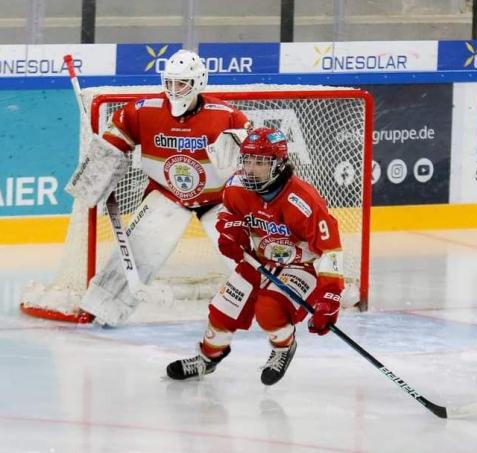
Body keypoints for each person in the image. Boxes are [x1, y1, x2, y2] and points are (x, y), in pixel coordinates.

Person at [65, 49, 252, 326]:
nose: (174, 90)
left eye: (182, 83)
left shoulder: (227, 116)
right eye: (170, 83)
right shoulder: (144, 110)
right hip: (168, 195)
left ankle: (275, 304)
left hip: (219, 199)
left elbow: (257, 157)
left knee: (246, 254)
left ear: (199, 82)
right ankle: (102, 307)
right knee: (140, 248)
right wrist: (98, 169)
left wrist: (241, 145)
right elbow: (116, 137)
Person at [166, 127, 345, 385]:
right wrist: (230, 232)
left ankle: (283, 347)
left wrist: (329, 297)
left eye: (259, 162)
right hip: (257, 260)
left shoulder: (304, 200)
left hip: (297, 265)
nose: (250, 168)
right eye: (247, 160)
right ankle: (207, 359)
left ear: (279, 164)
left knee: (269, 309)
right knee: (222, 310)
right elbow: (229, 214)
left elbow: (331, 249)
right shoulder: (236, 187)